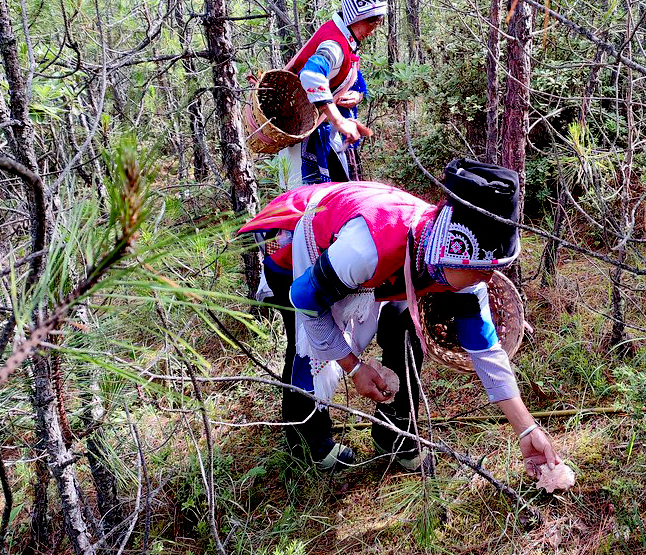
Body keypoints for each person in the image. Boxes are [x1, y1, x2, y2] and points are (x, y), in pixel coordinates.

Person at [239, 159, 563, 476]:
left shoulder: (451, 261)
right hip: (300, 239)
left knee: (406, 326)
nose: (489, 280)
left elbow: (485, 349)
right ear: (454, 253)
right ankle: (308, 444)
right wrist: (354, 367)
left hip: (371, 266)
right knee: (305, 348)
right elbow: (306, 300)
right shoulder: (368, 248)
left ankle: (394, 434)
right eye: (484, 271)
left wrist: (526, 429)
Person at [279, 0, 386, 188]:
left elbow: (345, 78)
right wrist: (338, 120)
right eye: (371, 23)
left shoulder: (342, 40)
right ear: (357, 17)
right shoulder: (334, 44)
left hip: (315, 134)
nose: (372, 30)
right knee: (303, 208)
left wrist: (354, 96)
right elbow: (311, 75)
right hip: (304, 138)